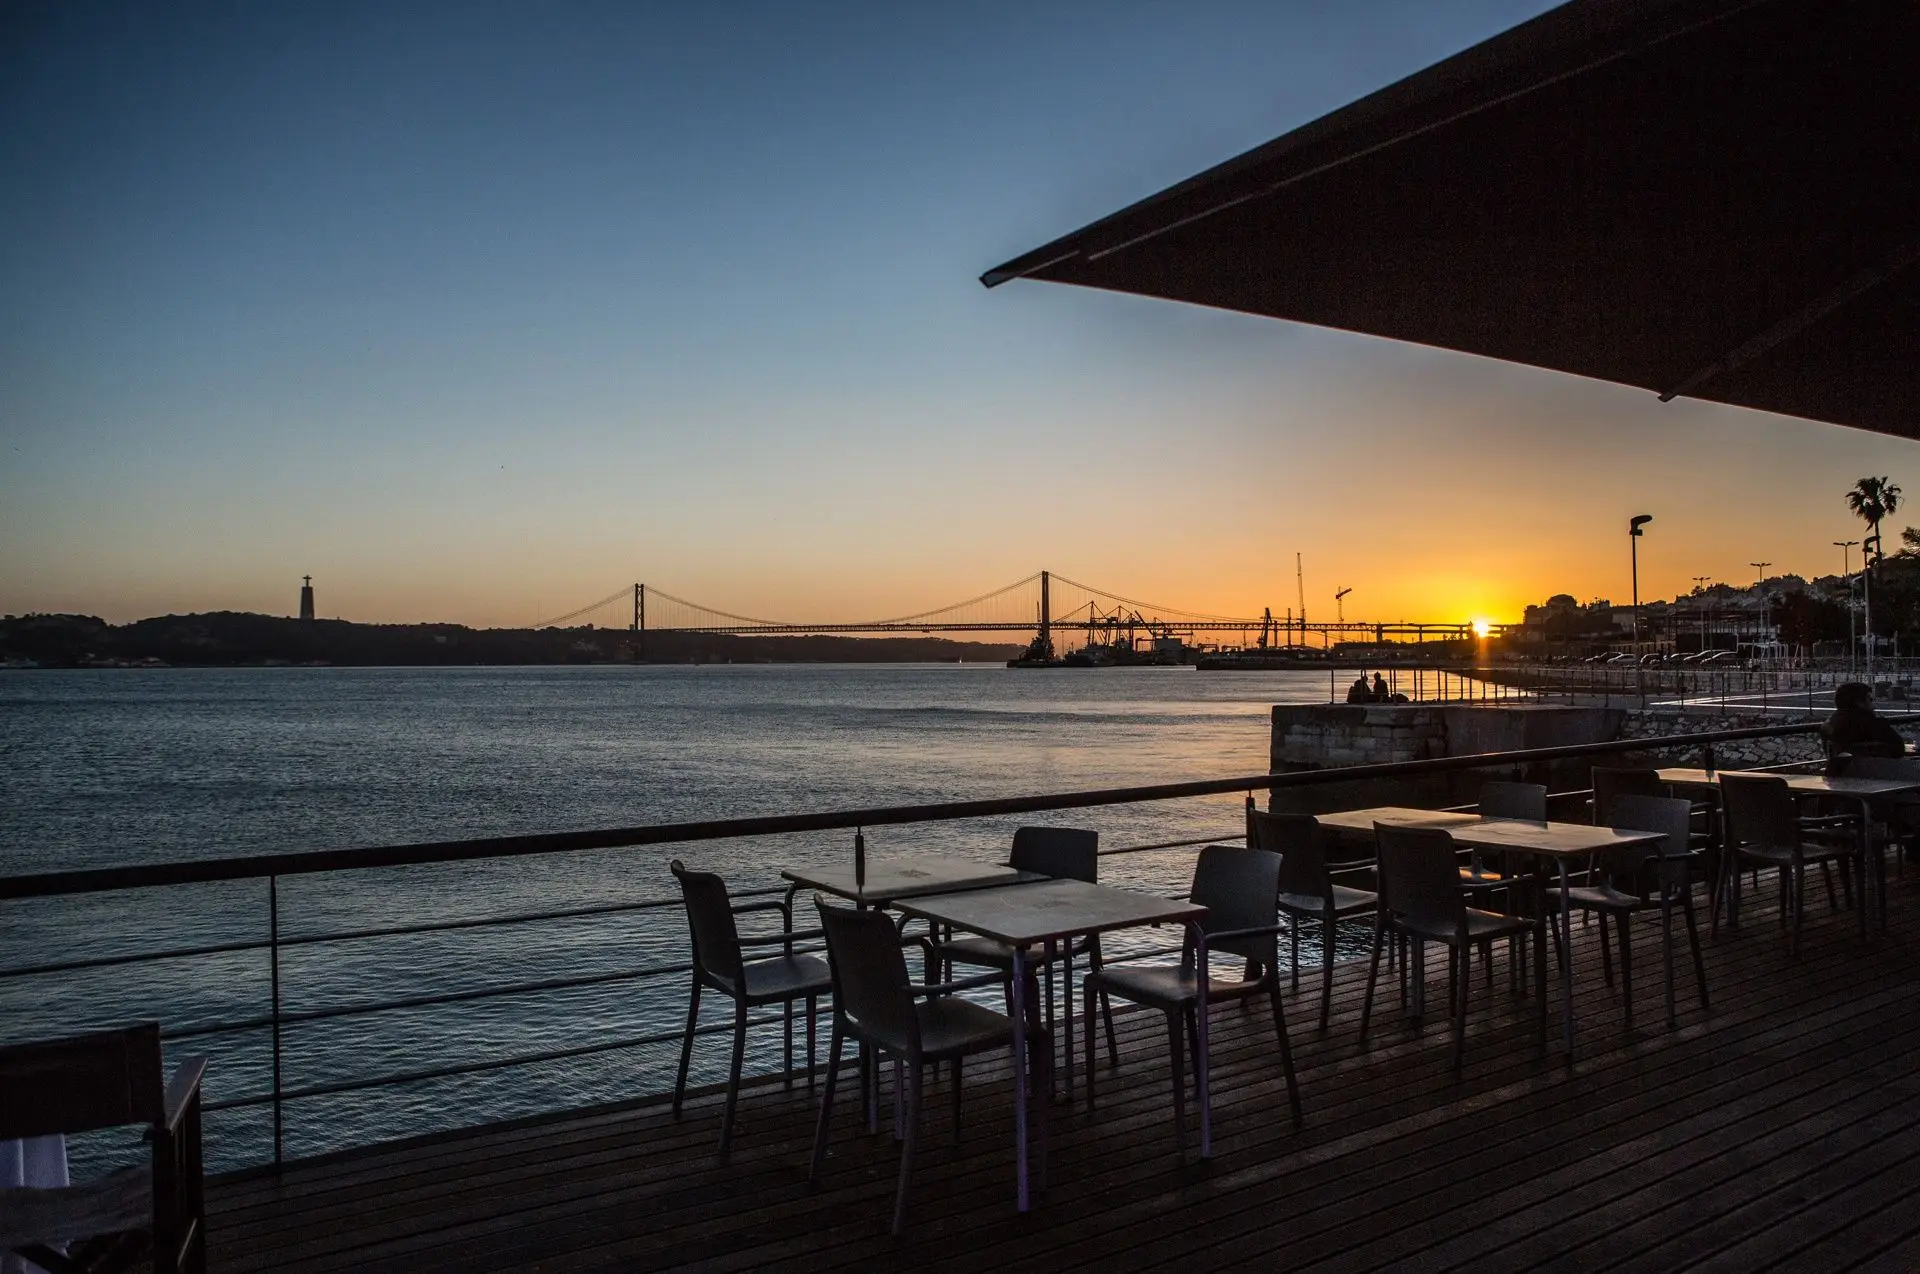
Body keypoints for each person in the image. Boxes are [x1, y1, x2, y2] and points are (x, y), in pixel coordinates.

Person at [1821, 682, 1907, 759]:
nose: (1873, 706)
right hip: (1878, 772)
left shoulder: (1828, 725)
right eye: (1870, 699)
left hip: (1841, 773)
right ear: (1859, 702)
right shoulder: (1873, 724)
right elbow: (1898, 750)